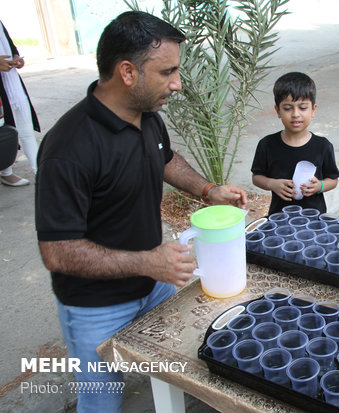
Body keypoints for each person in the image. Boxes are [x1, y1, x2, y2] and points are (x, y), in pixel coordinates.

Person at [35, 11, 247, 413]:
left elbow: (165, 158)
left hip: (154, 284)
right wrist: (149, 260)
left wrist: (207, 189)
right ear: (128, 71)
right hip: (96, 306)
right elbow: (58, 252)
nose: (177, 83)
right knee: (102, 401)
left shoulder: (147, 117)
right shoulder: (69, 148)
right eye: (167, 71)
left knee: (182, 368)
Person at [251, 71, 339, 215]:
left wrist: (320, 186)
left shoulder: (323, 146)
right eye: (287, 108)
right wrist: (271, 184)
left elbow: (333, 179)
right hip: (279, 219)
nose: (295, 114)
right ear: (278, 111)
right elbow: (256, 177)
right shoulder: (267, 145)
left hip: (314, 220)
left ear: (313, 110)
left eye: (303, 107)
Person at [0, 20, 40, 186]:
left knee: (25, 128)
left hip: (12, 81)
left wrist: (16, 57)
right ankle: (6, 171)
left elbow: (8, 44)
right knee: (6, 131)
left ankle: (40, 172)